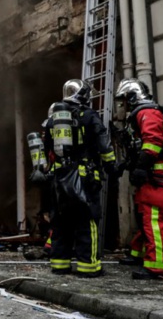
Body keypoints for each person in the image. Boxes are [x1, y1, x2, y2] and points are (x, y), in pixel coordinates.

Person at [43, 79, 116, 278]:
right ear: (83, 95)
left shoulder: (53, 120)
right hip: (83, 177)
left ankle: (59, 265)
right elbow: (103, 143)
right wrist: (111, 166)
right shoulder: (89, 116)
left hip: (59, 180)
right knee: (87, 221)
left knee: (61, 223)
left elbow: (46, 149)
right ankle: (89, 267)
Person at [114, 78, 163, 279]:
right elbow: (140, 148)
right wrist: (127, 164)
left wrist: (142, 168)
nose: (124, 106)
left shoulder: (146, 113)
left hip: (157, 176)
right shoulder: (151, 112)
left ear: (133, 97)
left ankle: (156, 265)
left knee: (153, 220)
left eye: (125, 100)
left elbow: (152, 143)